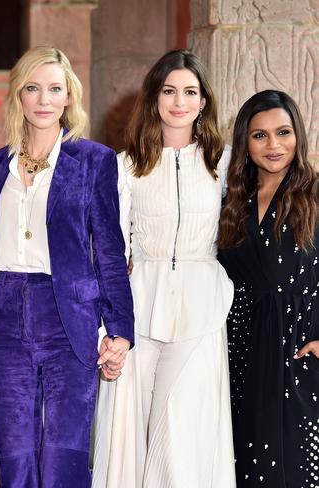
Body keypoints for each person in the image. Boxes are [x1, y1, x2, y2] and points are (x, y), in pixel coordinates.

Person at [0, 46, 134, 487]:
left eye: (54, 89)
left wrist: (119, 329)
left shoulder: (94, 161)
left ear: (68, 98)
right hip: (4, 316)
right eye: (33, 88)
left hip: (68, 318)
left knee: (65, 453)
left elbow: (111, 252)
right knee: (15, 453)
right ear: (19, 97)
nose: (44, 99)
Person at [94, 49, 236, 487]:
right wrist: (107, 330)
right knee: (127, 432)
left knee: (182, 430)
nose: (179, 101)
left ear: (203, 101)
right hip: (137, 307)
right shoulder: (125, 165)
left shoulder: (225, 164)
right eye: (170, 90)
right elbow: (109, 249)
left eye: (190, 92)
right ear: (154, 97)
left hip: (201, 307)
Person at [217, 90, 319, 487]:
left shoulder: (314, 194)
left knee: (296, 463)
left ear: (299, 136)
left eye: (283, 132)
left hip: (298, 347)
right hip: (241, 347)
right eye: (260, 135)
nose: (274, 145)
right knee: (245, 461)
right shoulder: (231, 203)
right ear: (244, 141)